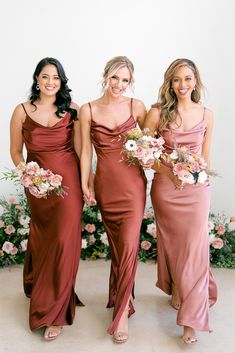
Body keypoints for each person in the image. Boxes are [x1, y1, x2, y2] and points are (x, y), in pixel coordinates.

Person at [10, 57, 85, 340]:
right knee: (43, 239)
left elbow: (81, 151)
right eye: (45, 76)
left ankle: (55, 312)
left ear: (61, 81)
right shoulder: (21, 111)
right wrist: (28, 176)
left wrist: (86, 185)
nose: (50, 82)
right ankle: (42, 288)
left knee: (64, 243)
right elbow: (16, 151)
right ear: (37, 79)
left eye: (56, 77)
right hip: (38, 187)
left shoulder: (73, 111)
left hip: (69, 187)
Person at [143, 58, 218, 344]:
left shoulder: (207, 114)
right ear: (169, 83)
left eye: (187, 79)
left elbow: (206, 156)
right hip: (166, 189)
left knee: (196, 251)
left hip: (197, 191)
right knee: (174, 246)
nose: (182, 85)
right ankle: (176, 286)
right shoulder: (157, 113)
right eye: (176, 80)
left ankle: (191, 320)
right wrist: (170, 171)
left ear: (196, 81)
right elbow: (146, 155)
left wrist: (202, 184)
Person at [80, 56, 147, 343]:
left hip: (133, 186)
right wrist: (87, 183)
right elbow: (86, 152)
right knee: (118, 249)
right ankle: (122, 298)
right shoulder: (88, 109)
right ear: (105, 76)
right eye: (115, 78)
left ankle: (120, 316)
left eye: (125, 80)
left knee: (130, 245)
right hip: (107, 186)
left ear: (130, 82)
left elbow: (152, 143)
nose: (119, 84)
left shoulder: (137, 107)